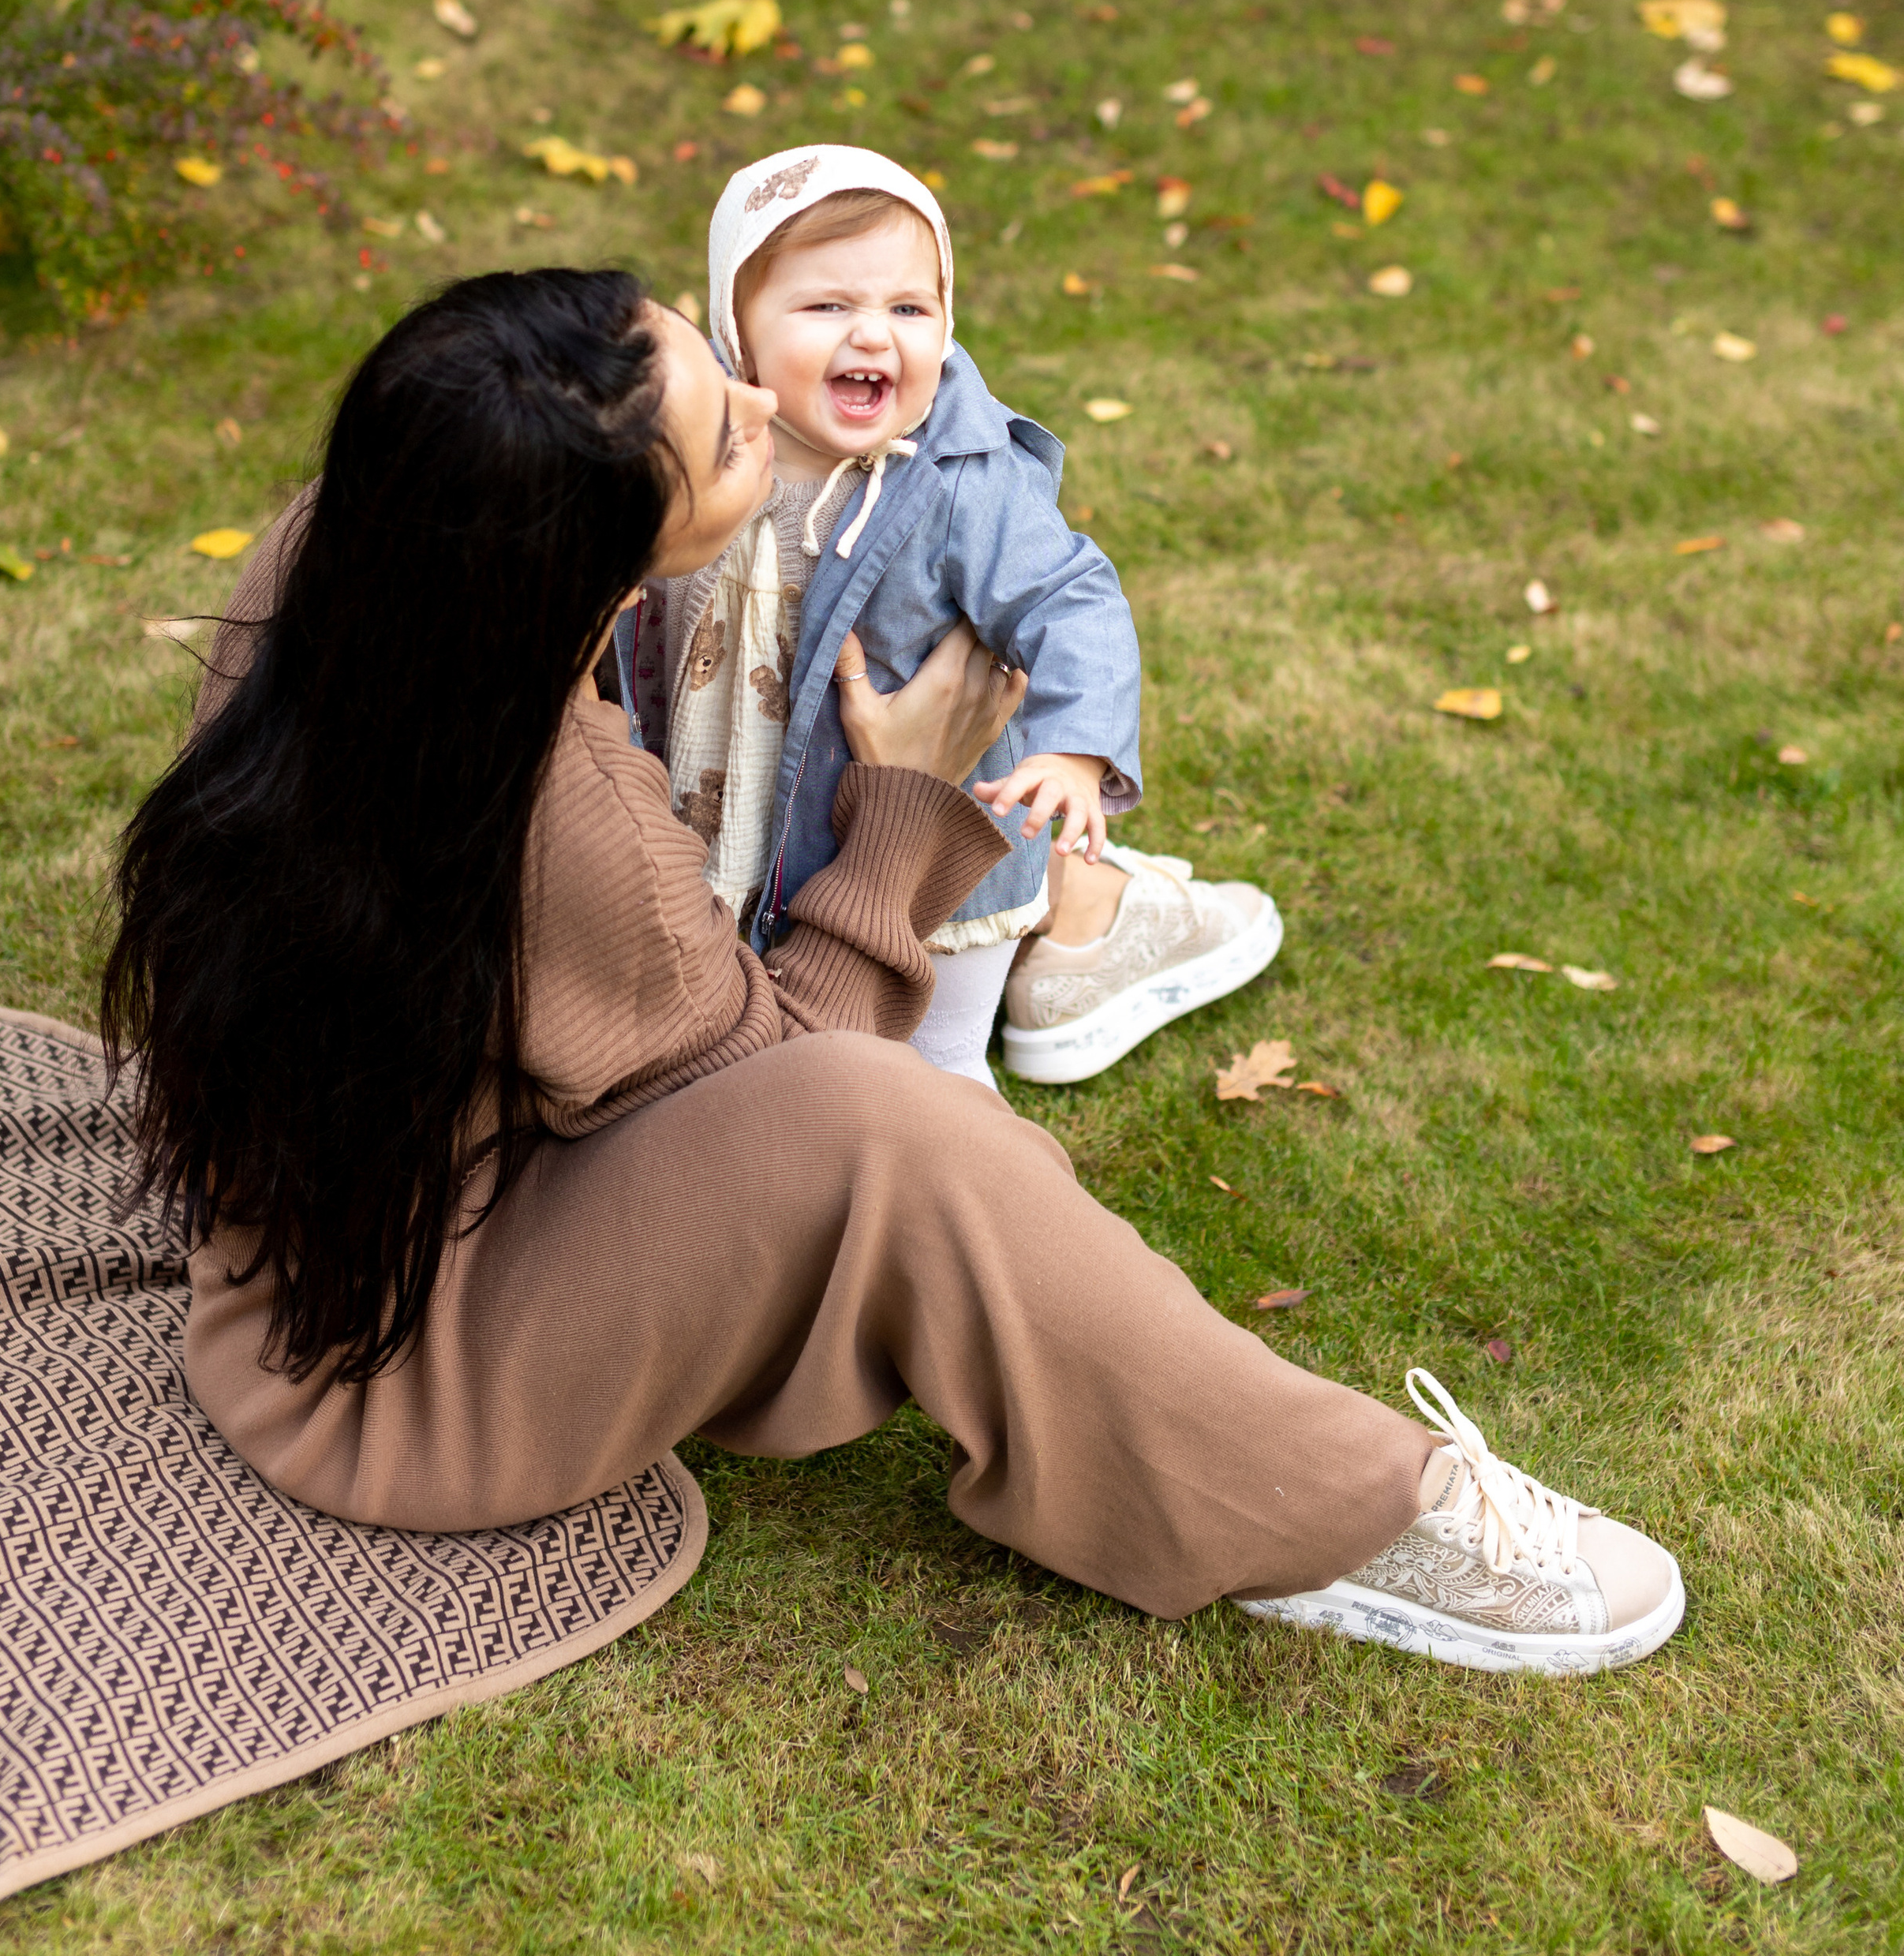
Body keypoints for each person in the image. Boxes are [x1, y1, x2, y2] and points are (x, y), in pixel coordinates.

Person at [102, 266, 1684, 1671]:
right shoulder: (564, 824)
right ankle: (1347, 1513)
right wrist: (907, 806)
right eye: (725, 442)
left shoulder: (364, 554)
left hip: (340, 1245)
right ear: (594, 566)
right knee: (900, 1132)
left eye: (704, 353)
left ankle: (1080, 922)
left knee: (897, 1112)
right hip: (409, 1383)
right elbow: (799, 1083)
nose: (757, 399)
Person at [619, 144, 1281, 1089]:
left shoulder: (960, 477)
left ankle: (982, 1070)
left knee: (934, 1057)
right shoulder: (693, 441)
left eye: (908, 309)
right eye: (826, 307)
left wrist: (1075, 751)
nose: (872, 337)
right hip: (730, 788)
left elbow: (1069, 596)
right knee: (758, 999)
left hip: (936, 840)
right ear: (736, 330)